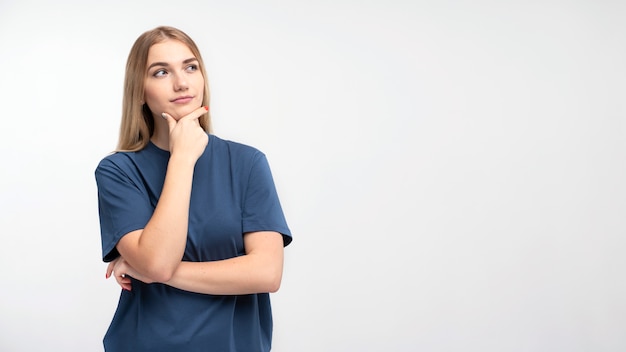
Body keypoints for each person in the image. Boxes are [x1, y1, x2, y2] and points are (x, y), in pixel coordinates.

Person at [94, 26, 292, 352]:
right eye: (161, 72)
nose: (181, 82)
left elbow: (267, 273)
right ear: (139, 91)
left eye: (191, 67)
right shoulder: (118, 171)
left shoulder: (247, 163)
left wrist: (155, 273)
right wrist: (182, 160)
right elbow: (157, 262)